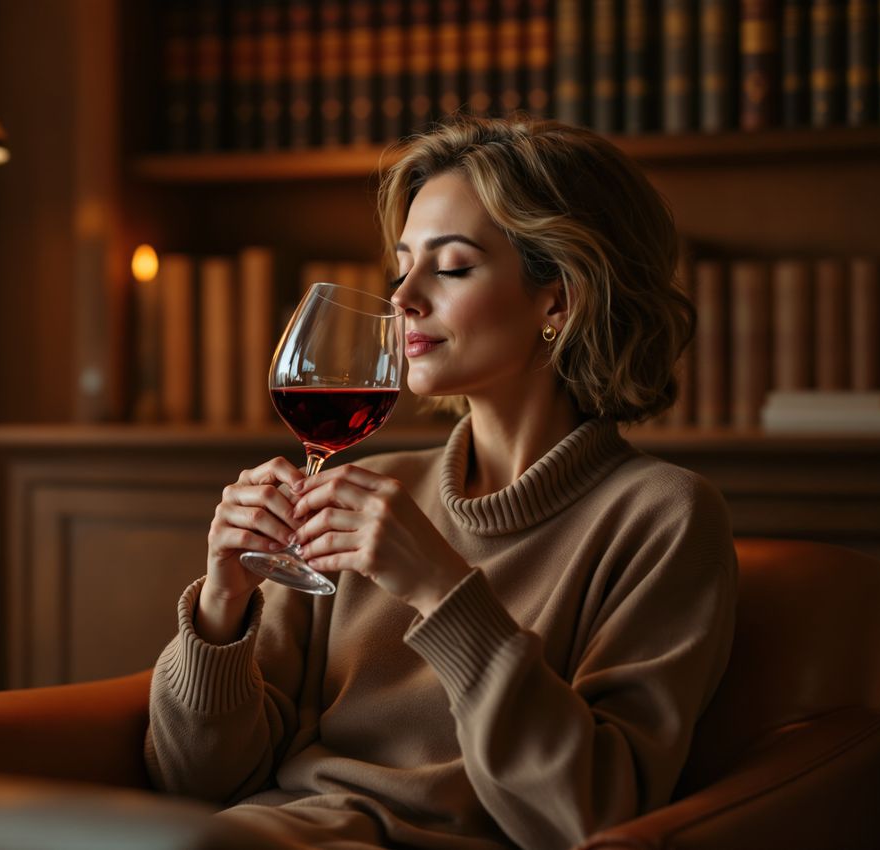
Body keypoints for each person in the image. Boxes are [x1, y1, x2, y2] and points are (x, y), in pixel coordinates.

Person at [144, 116, 737, 850]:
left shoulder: (662, 518)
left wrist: (440, 590)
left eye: (451, 267)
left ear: (559, 299)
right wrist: (221, 608)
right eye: (402, 266)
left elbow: (587, 812)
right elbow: (198, 782)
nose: (403, 298)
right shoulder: (366, 490)